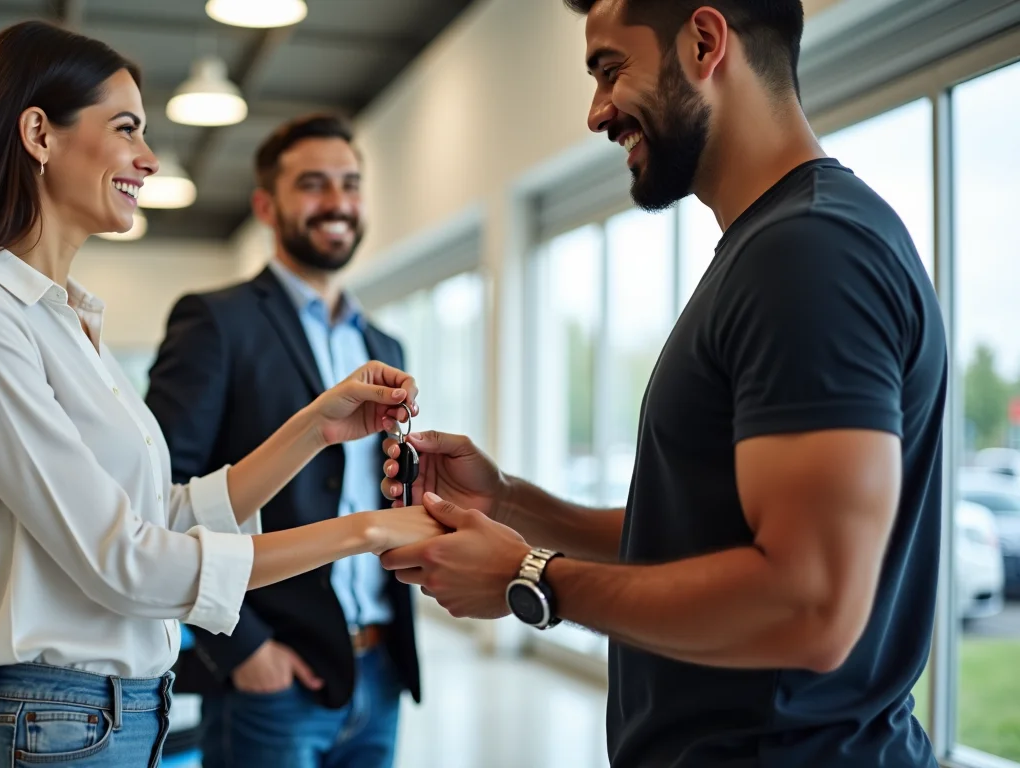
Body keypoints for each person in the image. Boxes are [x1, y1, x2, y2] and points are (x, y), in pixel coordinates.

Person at [0, 21, 442, 768]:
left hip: (108, 720)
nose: (149, 158)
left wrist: (315, 429)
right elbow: (125, 560)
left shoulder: (65, 319)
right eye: (126, 127)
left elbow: (160, 511)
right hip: (51, 724)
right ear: (38, 132)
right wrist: (368, 532)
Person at [377, 1, 948, 767]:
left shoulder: (809, 253)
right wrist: (511, 502)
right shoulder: (771, 248)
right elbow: (701, 535)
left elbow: (812, 606)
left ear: (705, 42)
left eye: (611, 69)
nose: (595, 113)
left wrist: (531, 578)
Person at [146, 114, 418, 768]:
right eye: (313, 185)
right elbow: (159, 498)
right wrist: (240, 650)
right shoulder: (215, 321)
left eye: (350, 185)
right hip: (271, 682)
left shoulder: (385, 346)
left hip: (379, 670)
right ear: (267, 205)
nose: (338, 203)